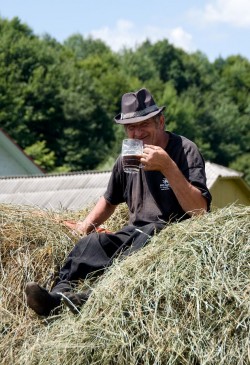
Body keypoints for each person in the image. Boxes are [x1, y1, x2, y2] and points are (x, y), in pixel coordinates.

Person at [25, 88, 212, 316]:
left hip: (172, 235)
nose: (137, 133)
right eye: (131, 127)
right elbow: (109, 200)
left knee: (147, 235)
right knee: (91, 244)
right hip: (135, 232)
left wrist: (167, 166)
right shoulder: (127, 158)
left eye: (144, 124)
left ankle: (92, 297)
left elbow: (200, 210)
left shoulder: (184, 150)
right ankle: (55, 297)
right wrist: (84, 227)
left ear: (160, 122)